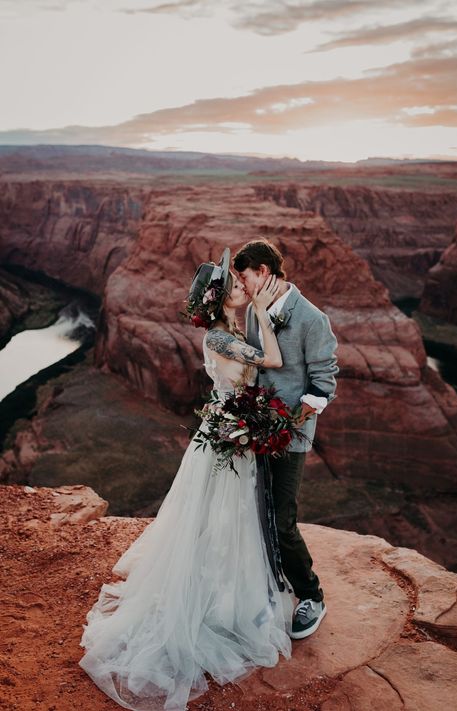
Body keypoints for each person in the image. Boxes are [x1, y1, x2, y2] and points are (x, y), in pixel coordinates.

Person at [78, 248, 297, 711]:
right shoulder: (221, 338)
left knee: (234, 519)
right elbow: (272, 361)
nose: (243, 287)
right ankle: (204, 607)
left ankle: (229, 599)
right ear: (220, 302)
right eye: (236, 287)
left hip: (231, 431)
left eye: (244, 283)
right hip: (227, 437)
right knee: (217, 520)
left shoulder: (230, 329)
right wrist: (260, 307)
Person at [233, 239, 339, 640]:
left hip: (289, 437)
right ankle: (272, 588)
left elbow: (324, 383)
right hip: (256, 431)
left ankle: (311, 594)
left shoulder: (312, 319)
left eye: (244, 277)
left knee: (282, 518)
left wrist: (286, 423)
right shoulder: (252, 314)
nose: (241, 287)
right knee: (257, 513)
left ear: (263, 272)